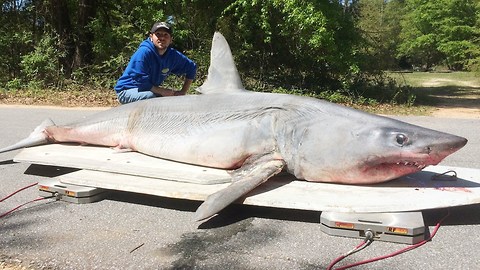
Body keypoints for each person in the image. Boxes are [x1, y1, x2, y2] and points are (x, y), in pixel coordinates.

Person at [114, 22, 197, 104]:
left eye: (165, 35)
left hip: (147, 90)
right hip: (127, 90)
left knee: (169, 99)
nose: (162, 38)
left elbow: (192, 67)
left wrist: (183, 92)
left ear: (171, 39)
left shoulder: (173, 55)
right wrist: (162, 91)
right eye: (158, 34)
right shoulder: (144, 52)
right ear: (151, 37)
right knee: (152, 97)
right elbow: (140, 81)